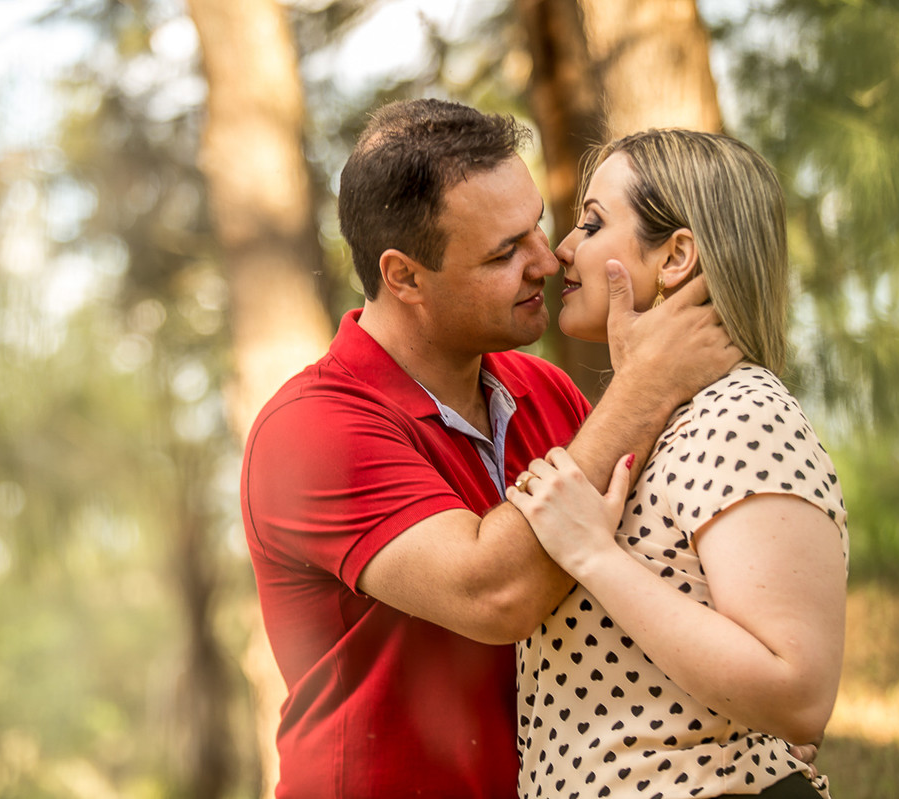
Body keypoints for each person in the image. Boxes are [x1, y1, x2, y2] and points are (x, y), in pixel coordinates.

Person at [240, 100, 741, 798]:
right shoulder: (311, 430)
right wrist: (646, 386)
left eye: (535, 224)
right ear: (404, 276)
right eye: (504, 253)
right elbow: (496, 593)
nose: (548, 257)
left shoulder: (547, 391)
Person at [507, 129, 848, 798]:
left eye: (593, 222)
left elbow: (798, 692)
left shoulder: (742, 411)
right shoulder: (654, 425)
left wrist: (595, 558)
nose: (563, 250)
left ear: (676, 256)